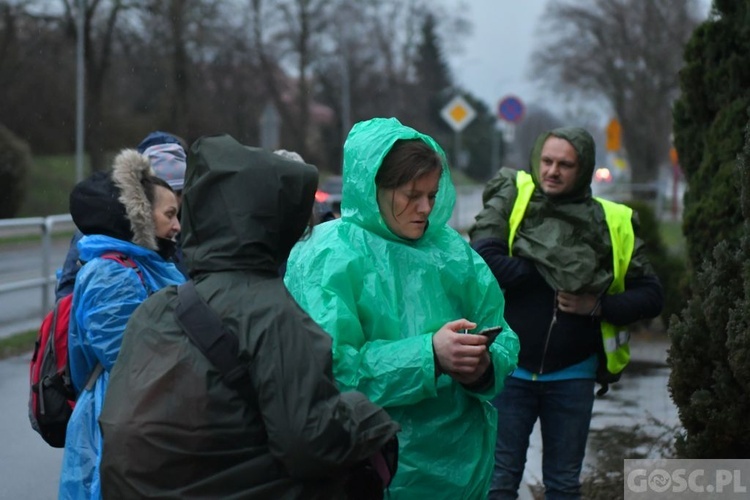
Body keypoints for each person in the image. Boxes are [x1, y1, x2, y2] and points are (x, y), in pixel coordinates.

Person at [99, 134, 400, 499]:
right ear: (273, 223)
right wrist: (367, 416)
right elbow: (308, 445)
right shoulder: (274, 314)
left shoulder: (157, 306)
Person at [283, 117, 520, 499]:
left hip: (461, 469)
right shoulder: (328, 255)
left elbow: (502, 332)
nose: (425, 208)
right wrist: (430, 355)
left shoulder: (450, 250)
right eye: (412, 195)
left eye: (431, 194)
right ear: (372, 188)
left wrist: (483, 367)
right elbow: (331, 373)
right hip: (370, 471)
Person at [468, 127, 664, 499]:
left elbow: (652, 295)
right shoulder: (515, 198)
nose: (553, 171)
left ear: (584, 169)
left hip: (573, 374)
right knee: (498, 482)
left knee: (562, 484)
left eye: (565, 164)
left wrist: (598, 306)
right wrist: (538, 272)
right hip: (510, 371)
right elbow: (481, 259)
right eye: (547, 161)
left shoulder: (612, 221)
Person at [58, 150, 186, 500]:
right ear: (141, 217)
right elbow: (132, 362)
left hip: (136, 417)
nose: (177, 226)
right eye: (170, 214)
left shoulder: (142, 266)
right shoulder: (110, 276)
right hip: (119, 421)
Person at [55, 131, 188, 299]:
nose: (173, 198)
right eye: (165, 188)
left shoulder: (187, 225)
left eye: (179, 191)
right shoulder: (104, 241)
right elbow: (69, 291)